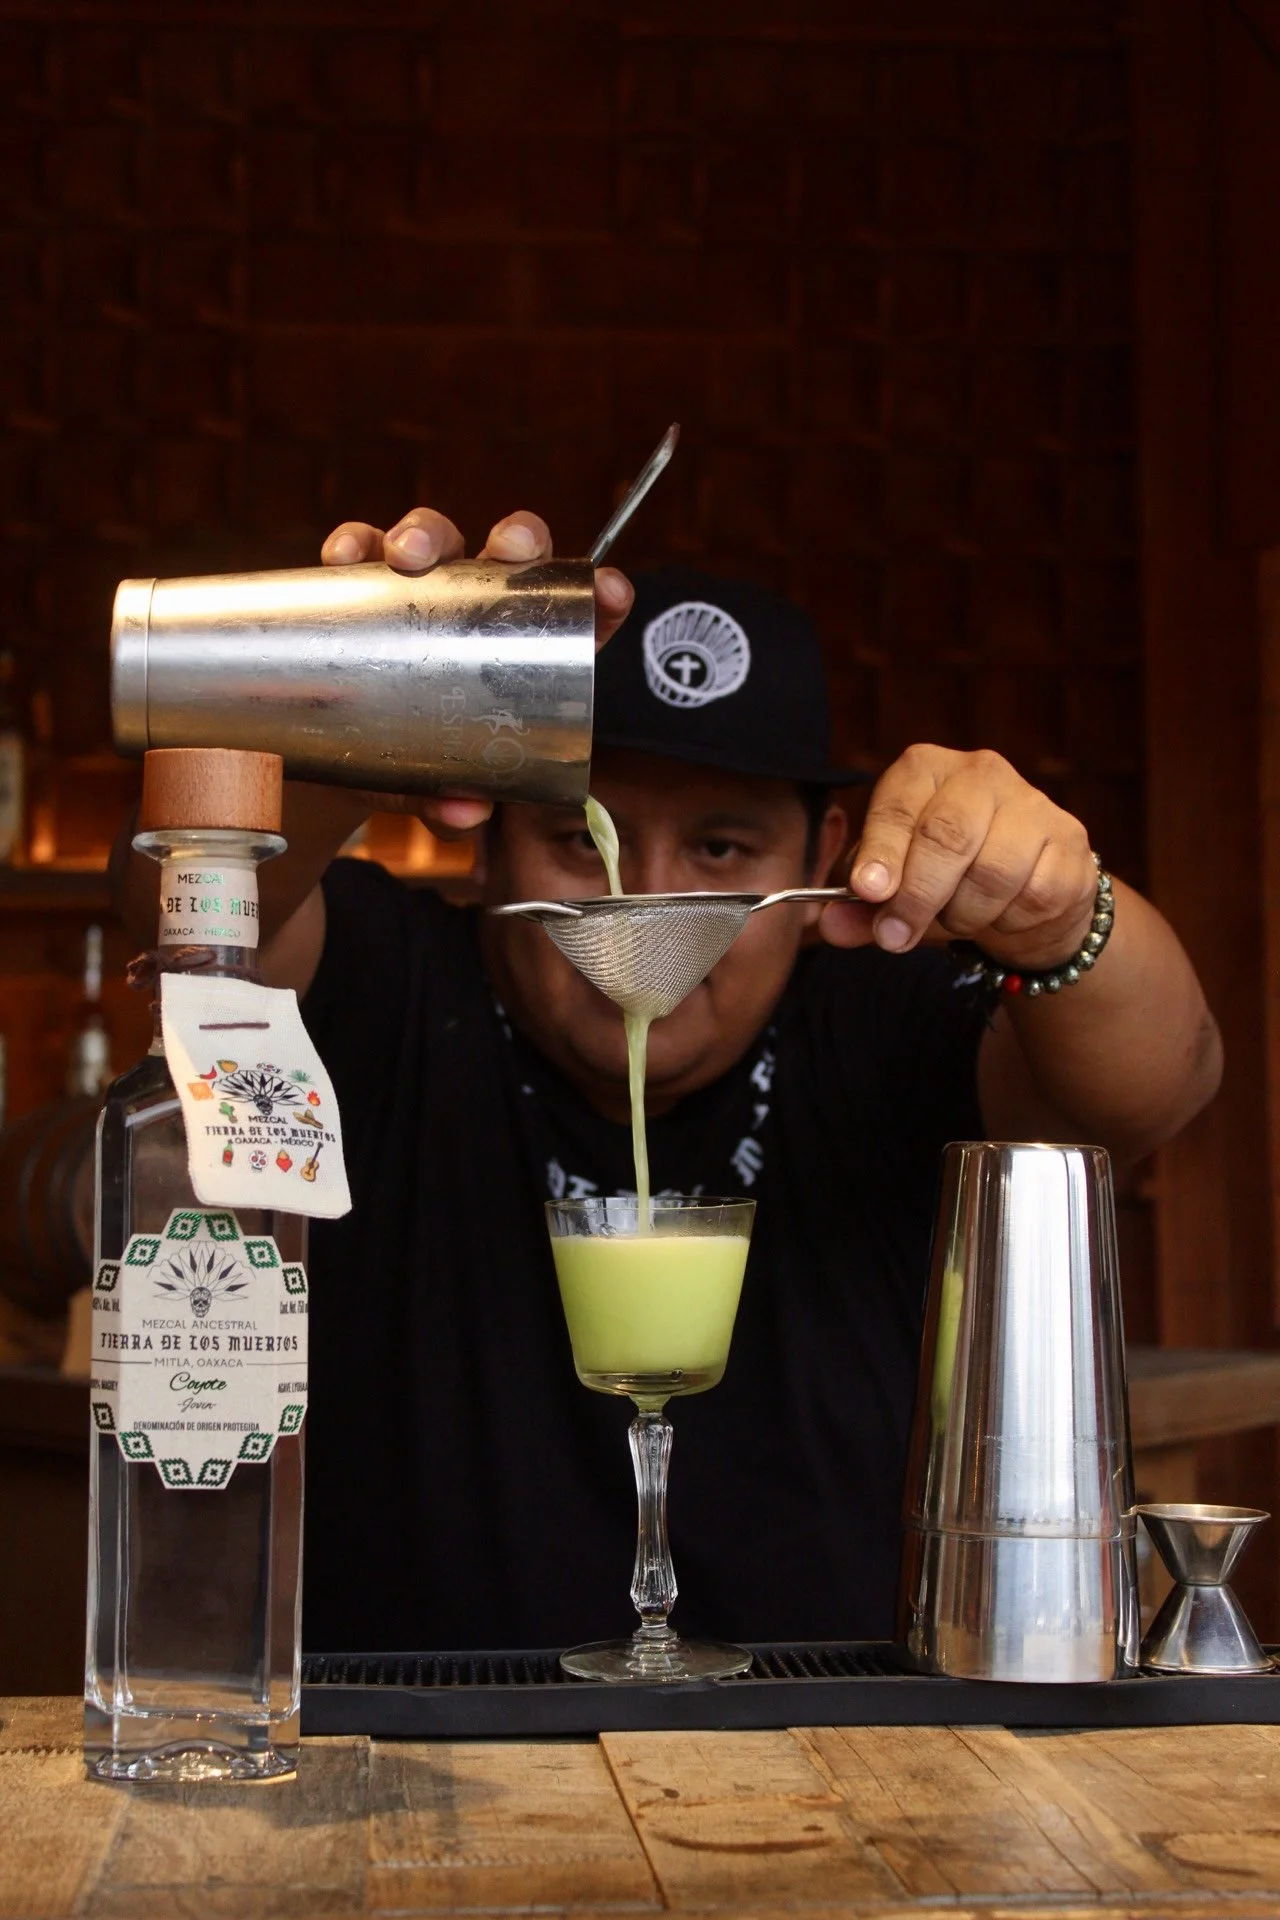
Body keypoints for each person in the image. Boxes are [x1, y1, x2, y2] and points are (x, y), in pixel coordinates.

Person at [117, 504, 1223, 1654]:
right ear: (482, 842)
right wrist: (350, 687)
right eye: (581, 842)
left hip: (852, 1750)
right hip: (411, 1756)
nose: (641, 902)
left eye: (719, 851)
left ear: (822, 853)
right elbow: (176, 920)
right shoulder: (386, 981)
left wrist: (1055, 915)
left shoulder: (877, 1014)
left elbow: (1160, 1082)